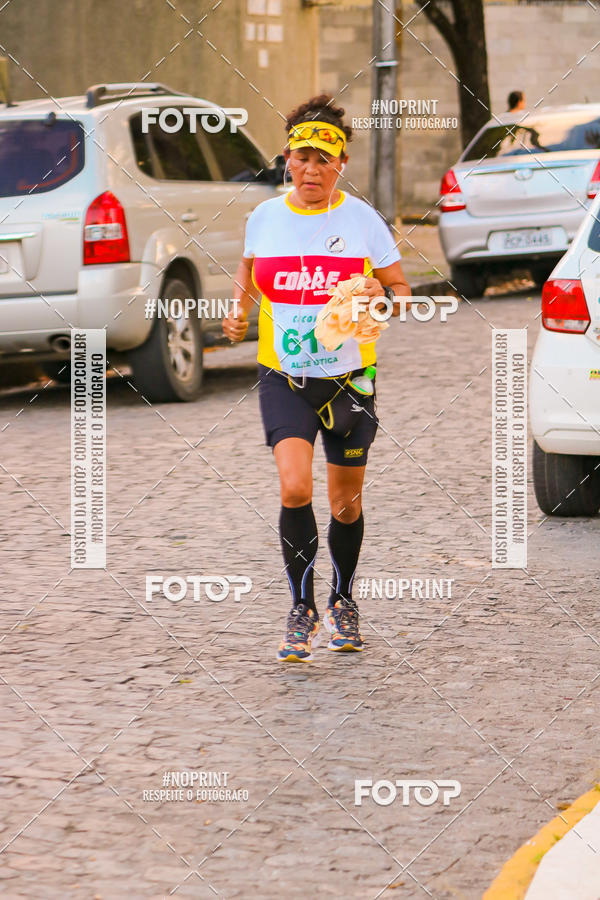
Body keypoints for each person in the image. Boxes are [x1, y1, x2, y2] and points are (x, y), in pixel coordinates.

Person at [223, 94, 411, 662]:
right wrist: (238, 313)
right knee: (294, 488)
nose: (311, 170)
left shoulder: (362, 221)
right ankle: (302, 606)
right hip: (285, 375)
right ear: (286, 160)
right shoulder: (265, 217)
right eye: (301, 158)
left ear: (341, 165)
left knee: (345, 503)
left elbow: (402, 292)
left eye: (323, 160)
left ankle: (343, 598)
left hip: (351, 377)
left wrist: (383, 296)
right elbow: (251, 269)